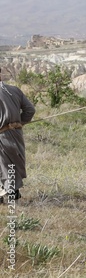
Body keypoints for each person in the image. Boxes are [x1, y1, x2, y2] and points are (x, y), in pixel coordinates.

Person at [0, 68, 36, 202]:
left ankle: (9, 194)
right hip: (16, 134)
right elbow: (30, 110)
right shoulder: (15, 90)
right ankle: (12, 191)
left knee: (3, 164)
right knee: (12, 163)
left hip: (1, 135)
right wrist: (18, 123)